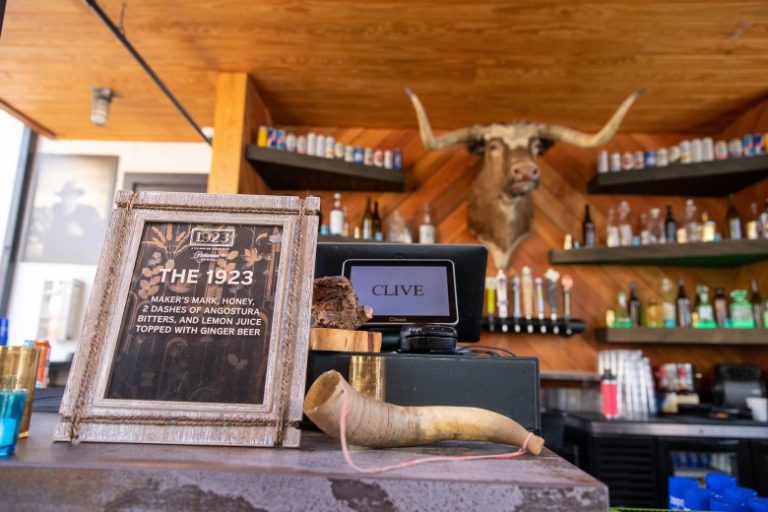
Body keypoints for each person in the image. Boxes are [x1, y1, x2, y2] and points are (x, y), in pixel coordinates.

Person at [36, 182, 105, 264]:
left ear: (76, 196)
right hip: (55, 258)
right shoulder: (55, 210)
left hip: (80, 259)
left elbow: (101, 233)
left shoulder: (89, 212)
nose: (66, 198)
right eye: (64, 195)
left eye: (70, 195)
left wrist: (82, 232)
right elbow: (49, 233)